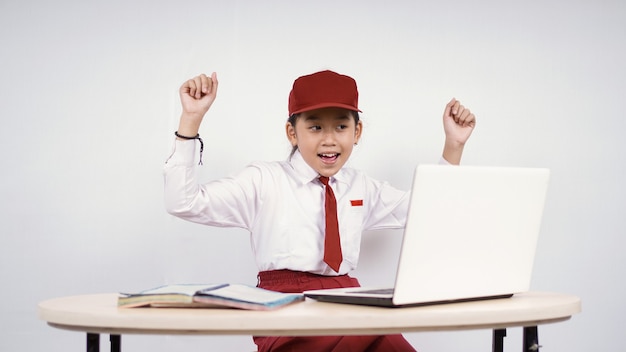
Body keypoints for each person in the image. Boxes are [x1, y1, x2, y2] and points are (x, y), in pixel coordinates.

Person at [164, 70, 476, 352]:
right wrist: (190, 121)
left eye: (341, 126)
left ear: (357, 132)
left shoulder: (360, 186)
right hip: (284, 306)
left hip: (348, 299)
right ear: (292, 133)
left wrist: (454, 145)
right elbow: (184, 202)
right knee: (355, 336)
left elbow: (427, 210)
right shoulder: (263, 180)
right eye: (315, 127)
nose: (329, 140)